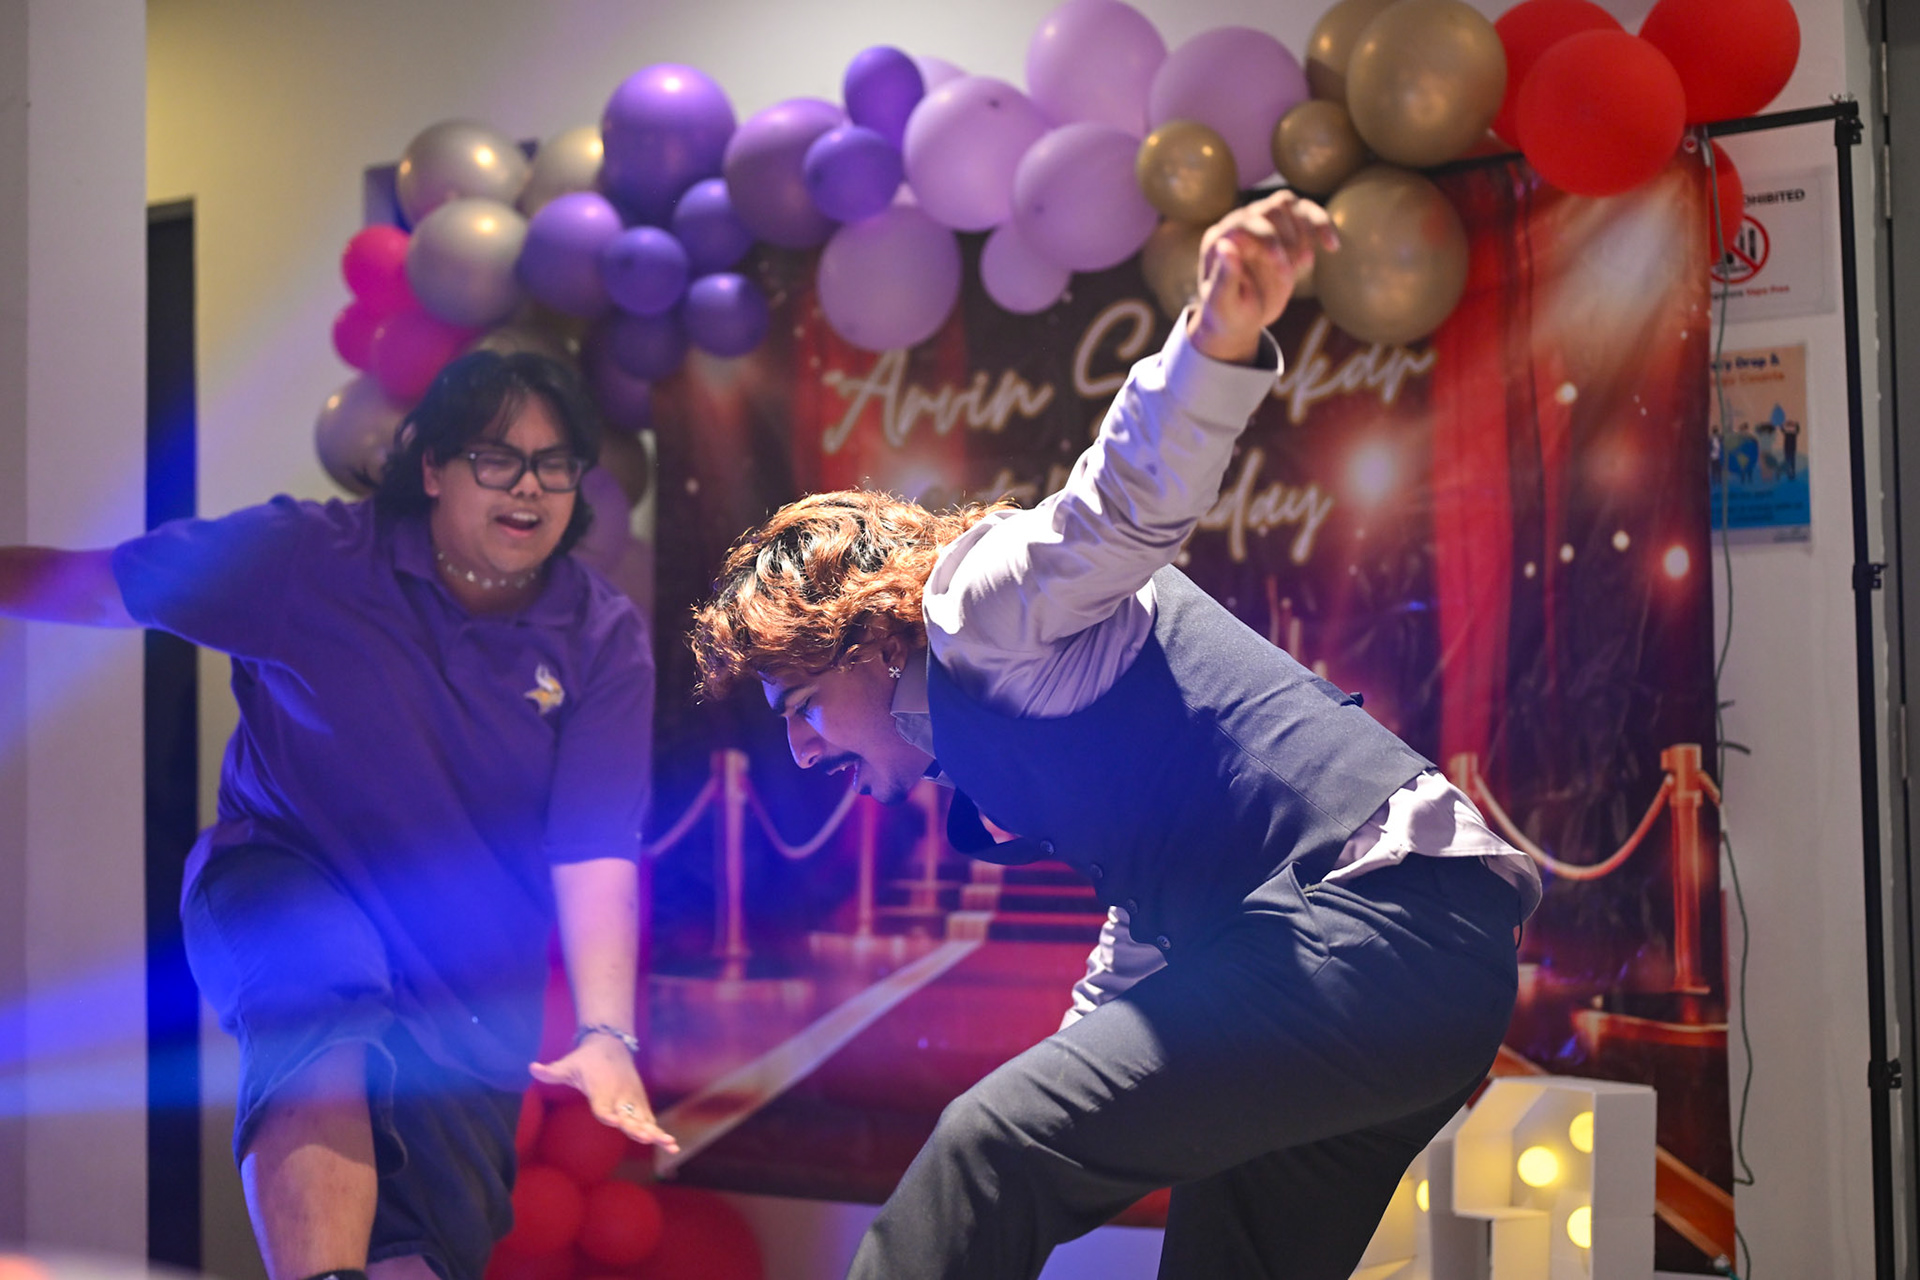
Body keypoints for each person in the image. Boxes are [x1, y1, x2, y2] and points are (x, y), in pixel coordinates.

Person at [690, 191, 1542, 1280]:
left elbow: (1124, 507)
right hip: (1406, 980)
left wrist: (1216, 340)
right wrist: (1074, 1073)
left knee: (986, 1151)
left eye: (802, 706)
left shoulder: (977, 611)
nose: (803, 753)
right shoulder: (994, 732)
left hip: (1377, 926)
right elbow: (1145, 932)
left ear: (860, 637)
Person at [0, 350, 677, 1280]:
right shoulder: (306, 558)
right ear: (432, 467)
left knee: (423, 1254)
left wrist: (604, 1034)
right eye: (496, 457)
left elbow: (594, 846)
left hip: (467, 981)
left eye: (554, 464)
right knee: (320, 997)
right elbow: (97, 588)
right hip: (286, 877)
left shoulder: (599, 633)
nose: (529, 486)